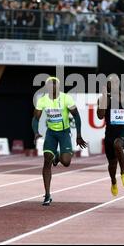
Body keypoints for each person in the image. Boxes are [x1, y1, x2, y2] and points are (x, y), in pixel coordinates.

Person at [32, 77, 87, 206]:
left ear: (59, 87)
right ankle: (47, 194)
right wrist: (35, 132)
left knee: (66, 162)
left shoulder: (66, 98)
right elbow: (36, 118)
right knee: (46, 160)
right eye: (50, 86)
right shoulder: (42, 100)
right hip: (51, 133)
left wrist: (78, 135)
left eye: (55, 86)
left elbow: (77, 116)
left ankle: (57, 156)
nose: (52, 88)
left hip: (64, 132)